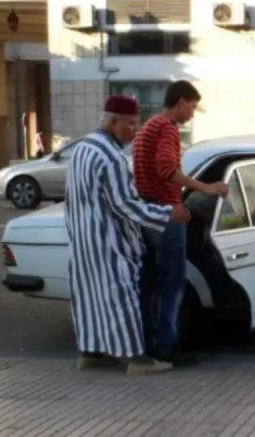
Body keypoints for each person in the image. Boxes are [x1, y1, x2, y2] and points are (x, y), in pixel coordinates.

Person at [65, 95, 191, 376]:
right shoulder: (111, 159)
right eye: (131, 125)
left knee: (90, 300)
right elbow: (125, 205)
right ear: (113, 122)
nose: (134, 131)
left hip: (84, 242)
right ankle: (137, 360)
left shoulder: (82, 149)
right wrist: (167, 213)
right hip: (111, 244)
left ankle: (91, 354)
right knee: (123, 299)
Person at [133, 80, 228, 365]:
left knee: (148, 282)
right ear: (182, 101)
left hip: (146, 213)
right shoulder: (166, 128)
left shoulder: (147, 127)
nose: (193, 114)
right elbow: (166, 169)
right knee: (173, 282)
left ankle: (147, 343)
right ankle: (167, 346)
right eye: (193, 107)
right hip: (165, 214)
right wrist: (206, 188)